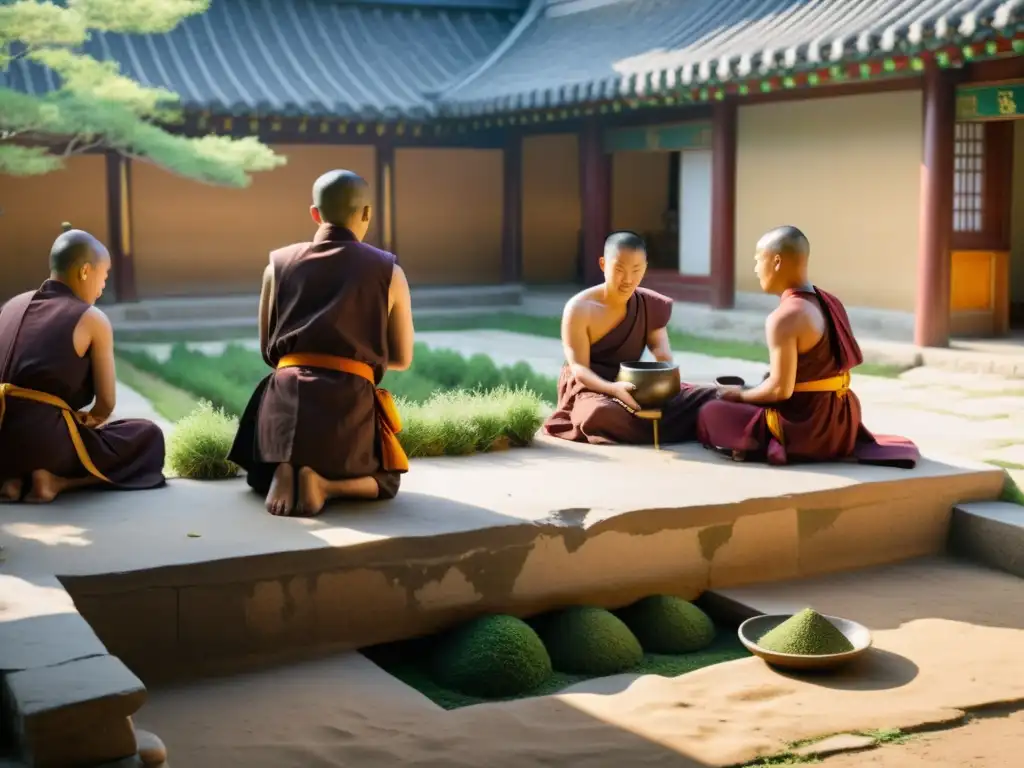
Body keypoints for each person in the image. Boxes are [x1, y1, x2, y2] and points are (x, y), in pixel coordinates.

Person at [228, 169, 415, 517]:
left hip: (284, 400)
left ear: (315, 214)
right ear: (367, 213)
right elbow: (402, 358)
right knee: (387, 480)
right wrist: (354, 356)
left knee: (259, 474)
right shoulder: (389, 271)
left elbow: (269, 350)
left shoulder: (277, 265)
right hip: (345, 405)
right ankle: (325, 485)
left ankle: (282, 467)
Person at [697, 226, 919, 467]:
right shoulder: (829, 301)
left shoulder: (786, 316)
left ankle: (757, 445)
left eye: (758, 260)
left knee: (711, 412)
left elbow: (780, 391)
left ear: (777, 261)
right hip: (843, 421)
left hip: (809, 427)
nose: (756, 269)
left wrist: (740, 396)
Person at [0, 229, 166, 503]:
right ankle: (55, 482)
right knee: (147, 435)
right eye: (105, 276)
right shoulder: (91, 318)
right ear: (85, 271)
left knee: (28, 438)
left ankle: (13, 479)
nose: (103, 286)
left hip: (3, 440)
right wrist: (84, 422)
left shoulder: (10, 306)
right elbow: (105, 405)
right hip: (45, 444)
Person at [543, 231, 717, 445]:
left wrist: (665, 387)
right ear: (602, 264)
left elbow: (662, 354)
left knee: (711, 395)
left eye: (636, 270)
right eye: (619, 269)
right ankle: (678, 427)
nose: (628, 279)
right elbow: (579, 369)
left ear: (645, 267)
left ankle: (660, 425)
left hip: (634, 385)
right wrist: (612, 389)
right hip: (591, 387)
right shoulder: (579, 309)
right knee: (597, 414)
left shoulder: (648, 304)